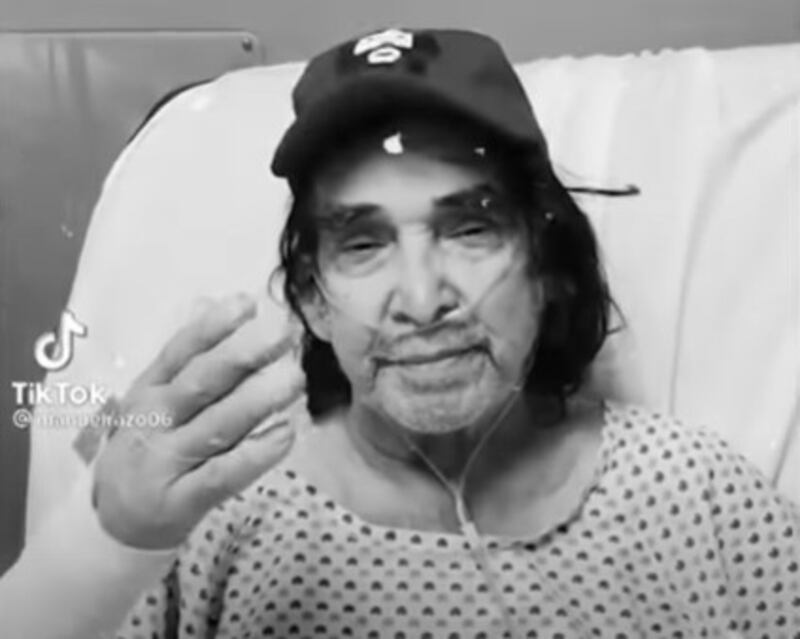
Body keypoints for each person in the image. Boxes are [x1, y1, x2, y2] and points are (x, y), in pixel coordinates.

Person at [3, 27, 799, 639]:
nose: (421, 300)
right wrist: (104, 542)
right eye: (363, 243)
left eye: (470, 229)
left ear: (547, 267)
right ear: (312, 298)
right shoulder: (208, 519)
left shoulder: (697, 500)